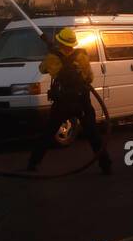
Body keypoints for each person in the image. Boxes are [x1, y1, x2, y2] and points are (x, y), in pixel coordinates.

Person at [26, 27, 113, 175]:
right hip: (82, 101)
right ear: (73, 43)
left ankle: (33, 163)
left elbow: (42, 69)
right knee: (93, 133)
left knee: (48, 133)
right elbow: (89, 78)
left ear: (59, 42)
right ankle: (105, 165)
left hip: (63, 102)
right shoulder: (82, 55)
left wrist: (53, 53)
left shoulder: (53, 57)